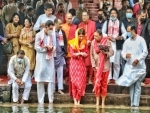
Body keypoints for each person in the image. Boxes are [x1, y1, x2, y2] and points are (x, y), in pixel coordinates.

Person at [116, 25, 148, 107]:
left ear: (133, 30)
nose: (128, 33)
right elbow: (123, 52)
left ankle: (136, 105)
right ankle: (132, 104)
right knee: (131, 85)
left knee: (137, 85)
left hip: (138, 67)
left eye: (129, 31)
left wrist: (138, 59)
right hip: (130, 67)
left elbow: (145, 52)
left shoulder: (141, 40)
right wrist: (125, 55)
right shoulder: (127, 41)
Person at [102, 8, 126, 83]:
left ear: (117, 15)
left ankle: (115, 78)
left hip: (117, 43)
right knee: (108, 61)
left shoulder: (120, 23)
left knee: (116, 62)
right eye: (111, 13)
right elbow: (103, 32)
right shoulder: (106, 22)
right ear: (110, 14)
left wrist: (121, 37)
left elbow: (125, 33)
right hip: (108, 43)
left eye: (114, 13)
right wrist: (108, 36)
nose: (113, 14)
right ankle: (108, 77)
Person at [34, 20, 56, 104]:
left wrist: (51, 48)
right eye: (50, 28)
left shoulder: (52, 35)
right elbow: (36, 47)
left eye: (52, 29)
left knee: (50, 79)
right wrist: (45, 48)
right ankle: (41, 101)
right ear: (45, 27)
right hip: (41, 59)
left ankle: (51, 100)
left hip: (50, 59)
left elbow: (55, 46)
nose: (51, 30)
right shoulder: (38, 35)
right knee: (40, 79)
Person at [91, 29, 113, 107]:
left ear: (101, 36)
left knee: (104, 84)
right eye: (94, 35)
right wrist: (94, 65)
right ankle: (97, 102)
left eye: (96, 36)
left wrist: (105, 53)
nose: (94, 37)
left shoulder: (107, 41)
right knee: (97, 84)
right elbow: (91, 55)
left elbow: (112, 52)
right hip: (97, 67)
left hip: (105, 67)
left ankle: (103, 103)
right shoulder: (93, 42)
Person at [68, 28, 87, 105]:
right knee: (74, 83)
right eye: (80, 36)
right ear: (77, 35)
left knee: (80, 83)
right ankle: (75, 100)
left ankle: (79, 100)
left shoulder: (84, 43)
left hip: (81, 65)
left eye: (82, 36)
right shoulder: (72, 43)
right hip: (74, 65)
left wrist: (84, 54)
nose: (81, 38)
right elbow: (72, 54)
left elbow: (86, 53)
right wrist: (79, 53)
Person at [78, 11, 96, 84]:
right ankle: (84, 78)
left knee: (91, 62)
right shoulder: (80, 25)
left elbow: (94, 33)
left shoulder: (93, 23)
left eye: (85, 15)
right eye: (82, 16)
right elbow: (79, 35)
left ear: (88, 16)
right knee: (84, 62)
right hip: (83, 46)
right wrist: (85, 41)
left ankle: (90, 78)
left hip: (91, 45)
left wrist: (89, 40)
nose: (84, 17)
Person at [61, 13, 77, 83]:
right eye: (68, 18)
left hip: (71, 48)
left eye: (71, 18)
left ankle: (69, 77)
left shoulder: (75, 27)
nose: (70, 20)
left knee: (70, 64)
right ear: (65, 18)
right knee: (63, 64)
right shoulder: (62, 26)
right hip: (63, 48)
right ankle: (63, 78)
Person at [53, 18, 67, 94]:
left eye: (61, 23)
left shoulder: (62, 32)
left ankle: (60, 88)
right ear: (55, 23)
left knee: (60, 73)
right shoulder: (51, 32)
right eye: (59, 23)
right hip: (53, 56)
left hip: (60, 55)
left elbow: (65, 42)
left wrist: (65, 51)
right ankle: (52, 88)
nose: (60, 25)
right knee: (52, 73)